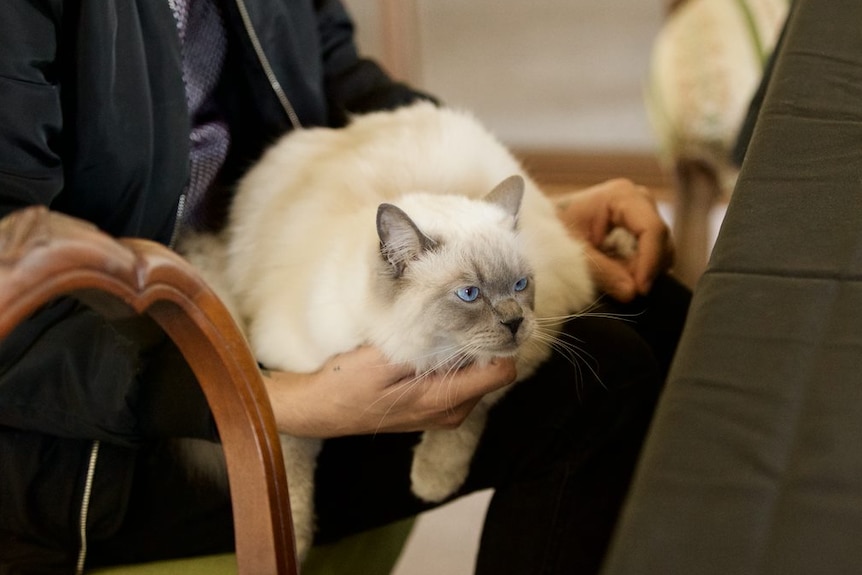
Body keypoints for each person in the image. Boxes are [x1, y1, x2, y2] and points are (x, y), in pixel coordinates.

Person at [0, 1, 690, 573]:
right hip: (101, 428)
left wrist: (512, 222)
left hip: (267, 264)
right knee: (604, 379)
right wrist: (271, 400)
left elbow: (337, 74)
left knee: (661, 311)